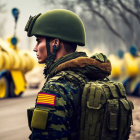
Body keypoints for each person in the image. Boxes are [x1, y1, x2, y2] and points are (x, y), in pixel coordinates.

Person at [25, 9, 111, 140]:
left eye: (38, 41)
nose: (35, 48)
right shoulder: (91, 76)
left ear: (55, 43)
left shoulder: (55, 88)